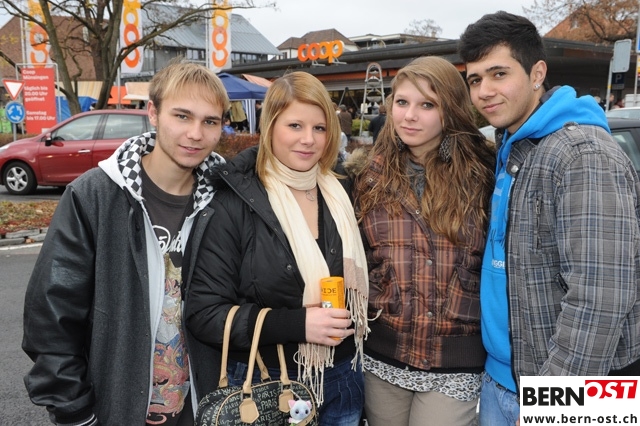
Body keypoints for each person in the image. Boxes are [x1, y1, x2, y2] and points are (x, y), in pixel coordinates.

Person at [22, 59, 230, 426]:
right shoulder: (95, 195)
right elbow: (52, 317)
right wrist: (75, 411)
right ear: (153, 113)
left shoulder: (226, 201)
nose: (195, 133)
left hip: (204, 410)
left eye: (210, 121)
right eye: (182, 116)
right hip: (115, 409)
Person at [459, 11, 640, 426]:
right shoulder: (515, 145)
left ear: (537, 73)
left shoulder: (582, 154)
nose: (484, 91)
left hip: (567, 391)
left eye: (499, 74)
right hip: (503, 380)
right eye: (475, 79)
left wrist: (553, 407)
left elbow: (600, 299)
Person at [184, 71, 369, 426]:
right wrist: (297, 324)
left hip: (344, 374)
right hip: (268, 384)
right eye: (295, 125)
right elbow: (205, 314)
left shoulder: (340, 190)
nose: (308, 139)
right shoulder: (235, 201)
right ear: (270, 127)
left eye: (319, 128)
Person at [350, 56, 496, 426]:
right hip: (384, 353)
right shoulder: (368, 176)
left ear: (451, 110)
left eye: (427, 105)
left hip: (455, 357)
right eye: (402, 102)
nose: (410, 116)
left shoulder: (483, 174)